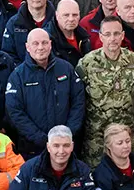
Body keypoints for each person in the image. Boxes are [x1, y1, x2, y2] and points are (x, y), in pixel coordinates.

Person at [5, 28, 86, 158]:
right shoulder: (17, 76)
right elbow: (15, 112)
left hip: (65, 147)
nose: (40, 47)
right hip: (33, 149)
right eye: (35, 43)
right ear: (27, 47)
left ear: (50, 44)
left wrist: (66, 134)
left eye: (44, 43)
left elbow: (79, 102)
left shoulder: (66, 69)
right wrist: (42, 138)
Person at [77, 16, 134, 167]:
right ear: (101, 37)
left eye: (116, 34)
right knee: (96, 178)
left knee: (128, 173)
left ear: (122, 35)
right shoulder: (87, 63)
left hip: (125, 133)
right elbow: (80, 95)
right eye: (107, 34)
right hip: (97, 135)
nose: (112, 39)